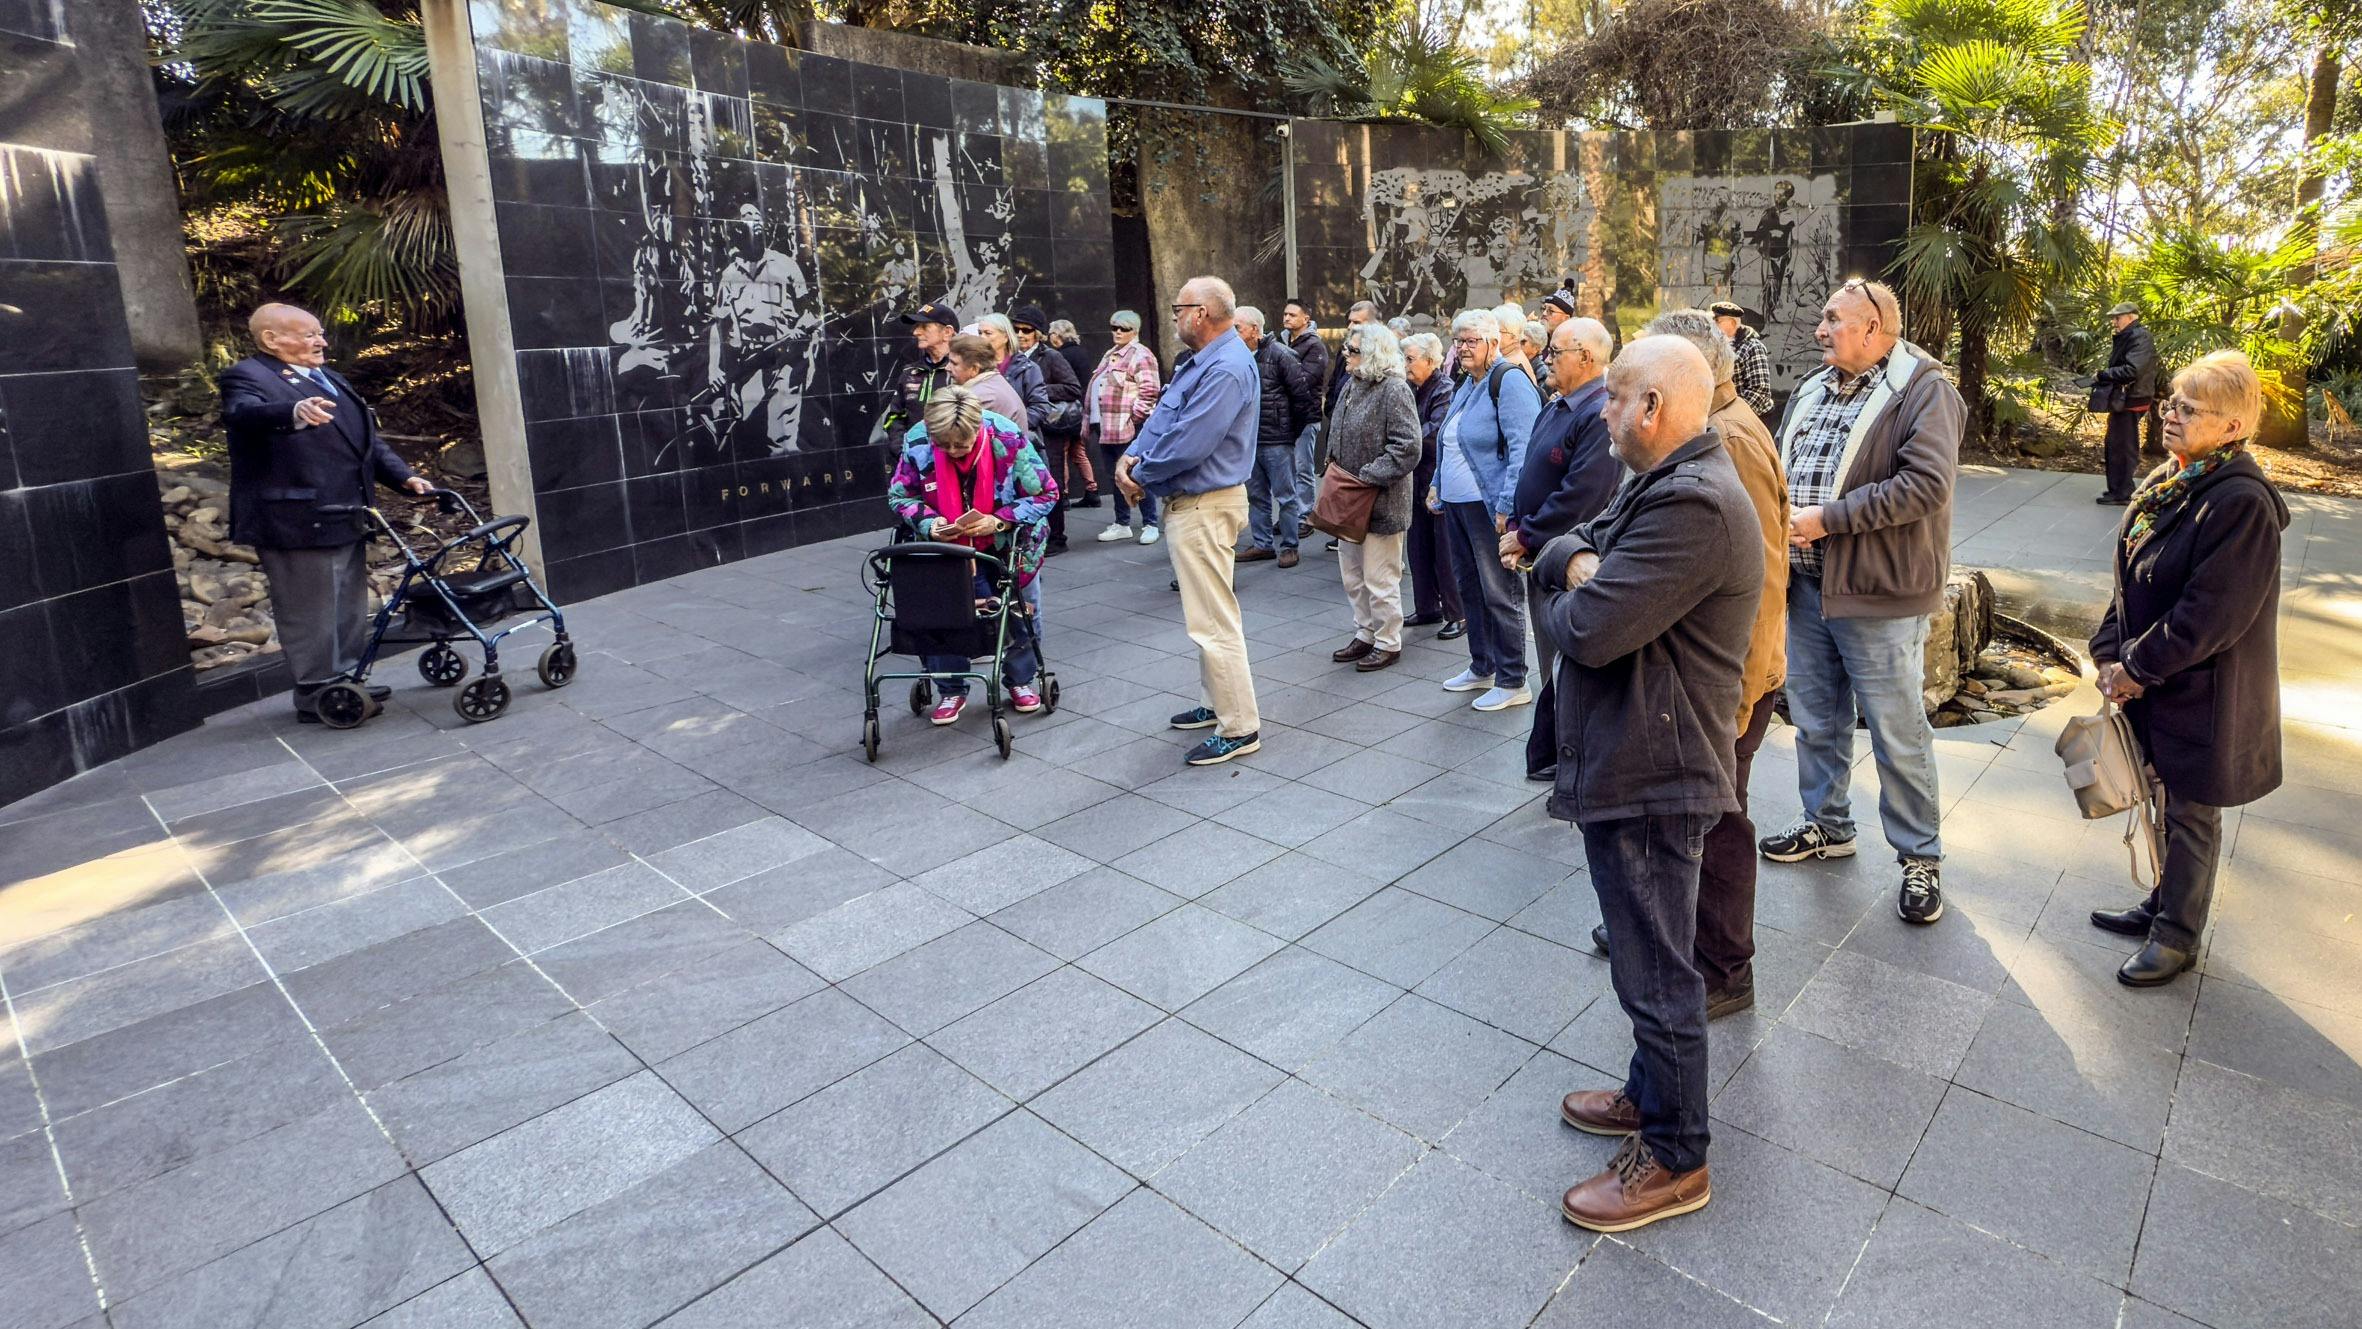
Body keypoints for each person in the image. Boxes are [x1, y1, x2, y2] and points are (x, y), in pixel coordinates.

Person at [1534, 335, 1763, 1234]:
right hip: (1634, 756)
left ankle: (1676, 1154)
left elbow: (1586, 629)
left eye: (1616, 395)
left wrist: (1575, 581)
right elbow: (1566, 548)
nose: (1602, 409)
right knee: (1642, 957)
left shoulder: (1696, 502)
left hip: (1655, 772)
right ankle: (1647, 1093)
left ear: (1654, 408)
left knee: (1659, 970)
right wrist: (1576, 566)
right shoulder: (1663, 480)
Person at [1592, 309, 1792, 1020]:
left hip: (1727, 685)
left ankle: (1719, 966)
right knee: (1706, 821)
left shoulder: (1724, 443)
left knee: (1715, 821)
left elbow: (1764, 581)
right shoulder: (1717, 432)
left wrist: (1735, 697)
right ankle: (1671, 942)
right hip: (1728, 680)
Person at [1762, 279, 1962, 926]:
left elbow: (1925, 485)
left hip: (1876, 590)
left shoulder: (1924, 388)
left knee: (1897, 734)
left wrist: (1831, 519)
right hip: (1806, 584)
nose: (1819, 329)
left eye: (1831, 319)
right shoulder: (1817, 385)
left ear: (1874, 329)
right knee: (1817, 720)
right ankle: (1828, 824)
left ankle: (1921, 859)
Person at [2088, 350, 2286, 986]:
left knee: (2192, 811)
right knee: (2162, 794)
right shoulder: (2170, 479)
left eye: (2187, 408)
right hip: (2156, 681)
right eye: (2172, 401)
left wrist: (2135, 667)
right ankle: (2162, 905)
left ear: (2232, 427)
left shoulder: (2240, 503)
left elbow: (2209, 616)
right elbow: (2128, 579)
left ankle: (2177, 935)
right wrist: (2106, 649)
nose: (2170, 414)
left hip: (2204, 693)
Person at [221, 303, 434, 724]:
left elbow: (365, 443)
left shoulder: (330, 378)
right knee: (310, 608)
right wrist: (292, 412)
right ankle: (316, 690)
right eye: (307, 335)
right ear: (271, 339)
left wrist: (405, 478)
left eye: (319, 333)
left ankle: (347, 679)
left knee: (347, 604)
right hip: (294, 516)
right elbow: (242, 414)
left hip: (345, 509)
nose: (320, 342)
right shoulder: (248, 375)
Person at [1116, 277, 1262, 766]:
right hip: (1193, 502)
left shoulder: (1226, 368)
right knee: (1207, 616)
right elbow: (1164, 421)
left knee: (1213, 621)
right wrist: (1133, 458)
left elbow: (1189, 443)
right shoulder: (1206, 362)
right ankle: (1217, 703)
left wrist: (1141, 475)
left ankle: (1239, 726)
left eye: (1179, 308)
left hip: (1205, 504)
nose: (1173, 316)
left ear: (1200, 313)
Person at [887, 385, 1059, 725]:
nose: (952, 451)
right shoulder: (919, 440)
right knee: (945, 617)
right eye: (944, 444)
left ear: (978, 428)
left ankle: (1020, 680)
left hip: (1010, 545)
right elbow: (900, 495)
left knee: (1020, 613)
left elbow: (1045, 494)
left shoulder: (1007, 440)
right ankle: (951, 688)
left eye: (960, 444)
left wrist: (999, 521)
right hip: (948, 549)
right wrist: (930, 523)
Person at [1502, 317, 1619, 779]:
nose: (1545, 358)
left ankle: (1576, 760)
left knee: (1566, 667)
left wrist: (1526, 535)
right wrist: (1517, 526)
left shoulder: (1598, 413)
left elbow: (1581, 497)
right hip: (1541, 555)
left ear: (1586, 358)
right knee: (1550, 664)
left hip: (1570, 560)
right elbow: (1532, 469)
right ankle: (1559, 753)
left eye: (1555, 351)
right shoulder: (1559, 404)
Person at [1431, 309, 1544, 712]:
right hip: (1458, 505)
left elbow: (1524, 449)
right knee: (1469, 588)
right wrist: (1437, 486)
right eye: (1458, 340)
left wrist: (1507, 506)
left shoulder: (1507, 381)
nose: (1462, 348)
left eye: (1471, 341)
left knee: (1499, 591)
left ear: (1494, 343)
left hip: (1488, 508)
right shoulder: (1469, 382)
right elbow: (1451, 436)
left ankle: (1513, 679)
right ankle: (1483, 666)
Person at [1322, 323, 1423, 672]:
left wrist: (1366, 477)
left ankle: (1388, 641)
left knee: (1380, 579)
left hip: (1379, 502)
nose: (1346, 356)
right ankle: (1365, 633)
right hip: (1347, 500)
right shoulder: (1354, 383)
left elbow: (1408, 447)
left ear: (1373, 353)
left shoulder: (1394, 390)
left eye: (1353, 350)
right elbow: (1337, 432)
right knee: (1352, 575)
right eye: (1347, 350)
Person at [1233, 306, 1316, 568]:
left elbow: (1303, 399)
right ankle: (1262, 544)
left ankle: (1290, 546)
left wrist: (1288, 432)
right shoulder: (1236, 356)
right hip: (1249, 440)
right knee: (1256, 496)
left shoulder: (1281, 354)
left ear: (1254, 330)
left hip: (1277, 440)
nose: (1232, 334)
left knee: (1286, 496)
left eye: (1237, 328)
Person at [1402, 332, 1465, 642]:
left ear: (1430, 361)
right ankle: (1426, 606)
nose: (1405, 365)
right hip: (1414, 477)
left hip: (1436, 478)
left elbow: (1434, 432)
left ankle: (1458, 613)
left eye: (1410, 359)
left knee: (1443, 550)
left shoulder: (1445, 389)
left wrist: (1403, 439)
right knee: (1418, 547)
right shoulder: (1411, 388)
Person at [1087, 309, 1163, 545]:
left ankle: (1150, 523)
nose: (1118, 332)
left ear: (1135, 331)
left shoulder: (1141, 355)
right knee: (1115, 477)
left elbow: (1150, 391)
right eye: (1114, 327)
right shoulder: (1111, 354)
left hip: (1126, 427)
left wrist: (1134, 418)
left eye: (1124, 328)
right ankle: (1122, 523)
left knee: (1137, 474)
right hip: (1107, 427)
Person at [1014, 305, 1084, 554]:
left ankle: (1057, 537)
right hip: (1025, 428)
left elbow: (1072, 387)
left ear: (1038, 333)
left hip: (1049, 428)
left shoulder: (1051, 357)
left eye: (1027, 330)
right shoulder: (1011, 358)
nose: (1021, 334)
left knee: (1050, 480)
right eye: (1017, 329)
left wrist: (1038, 389)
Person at [2093, 301, 2159, 506]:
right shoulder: (2131, 335)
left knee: (2123, 444)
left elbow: (2132, 370)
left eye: (2117, 317)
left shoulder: (2139, 336)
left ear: (2131, 317)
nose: (2114, 321)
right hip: (2127, 397)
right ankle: (2118, 490)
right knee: (2116, 443)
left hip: (2133, 397)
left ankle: (2123, 492)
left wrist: (2103, 375)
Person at [1280, 299, 1334, 530]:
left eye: (1292, 315)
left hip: (1305, 416)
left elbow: (1302, 380)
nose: (1287, 318)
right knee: (1286, 469)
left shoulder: (1315, 346)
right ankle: (1289, 517)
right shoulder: (1280, 341)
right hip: (1282, 416)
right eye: (1285, 314)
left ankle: (1305, 517)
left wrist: (1278, 377)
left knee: (1303, 468)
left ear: (1306, 319)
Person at [884, 299, 959, 439]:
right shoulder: (909, 372)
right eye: (916, 326)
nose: (916, 332)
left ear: (947, 332)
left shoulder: (964, 371)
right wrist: (903, 448)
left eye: (924, 326)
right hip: (911, 456)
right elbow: (894, 417)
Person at [1046, 317, 1101, 507]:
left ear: (1058, 335)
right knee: (1079, 451)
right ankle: (1092, 489)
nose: (1049, 337)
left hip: (1066, 411)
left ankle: (1064, 494)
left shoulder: (1060, 356)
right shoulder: (1081, 352)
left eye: (1051, 333)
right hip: (1081, 409)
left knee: (1063, 450)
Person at [975, 313, 1051, 437]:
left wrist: (1011, 427)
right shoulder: (975, 367)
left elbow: (1040, 407)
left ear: (1005, 337)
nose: (982, 338)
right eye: (979, 333)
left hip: (1017, 440)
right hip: (981, 439)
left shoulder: (1028, 368)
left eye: (988, 333)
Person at [944, 333, 1026, 430]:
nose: (947, 368)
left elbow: (950, 434)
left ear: (974, 369)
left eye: (954, 363)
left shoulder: (982, 396)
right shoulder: (991, 383)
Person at [1713, 301, 1773, 418]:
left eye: (1717, 321)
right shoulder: (1716, 346)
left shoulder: (1753, 347)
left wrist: (1733, 416)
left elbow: (1760, 392)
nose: (1713, 325)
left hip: (1755, 417)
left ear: (1732, 322)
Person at [1494, 303, 1539, 383]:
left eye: (1498, 331)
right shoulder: (1508, 356)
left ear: (1514, 337)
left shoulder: (1511, 366)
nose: (1493, 335)